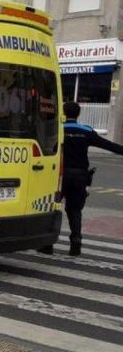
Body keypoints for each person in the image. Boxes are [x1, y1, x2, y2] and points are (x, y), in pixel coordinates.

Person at [39, 101, 123, 256]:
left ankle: (47, 245)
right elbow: (108, 145)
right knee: (75, 210)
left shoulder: (58, 130)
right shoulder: (86, 131)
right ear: (78, 114)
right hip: (79, 176)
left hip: (60, 175)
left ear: (64, 113)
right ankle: (76, 244)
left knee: (53, 207)